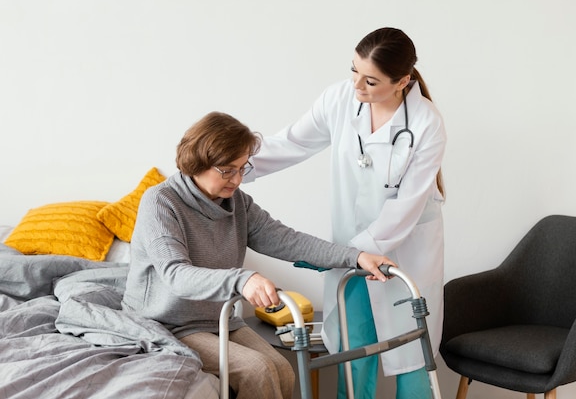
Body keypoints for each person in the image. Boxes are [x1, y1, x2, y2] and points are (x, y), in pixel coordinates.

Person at [121, 111, 396, 399]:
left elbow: (287, 240)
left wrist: (356, 257)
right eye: (227, 170)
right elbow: (175, 274)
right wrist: (243, 279)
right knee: (258, 370)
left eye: (243, 168)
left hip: (218, 319)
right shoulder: (160, 201)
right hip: (167, 322)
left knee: (284, 369)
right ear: (196, 162)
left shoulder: (236, 202)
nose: (237, 179)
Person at [244, 27, 446, 399]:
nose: (357, 85)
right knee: (355, 355)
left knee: (411, 358)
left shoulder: (425, 124)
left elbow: (406, 208)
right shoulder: (339, 100)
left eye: (371, 80)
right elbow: (291, 142)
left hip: (404, 255)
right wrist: (236, 165)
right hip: (350, 254)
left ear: (403, 81)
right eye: (354, 71)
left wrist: (353, 253)